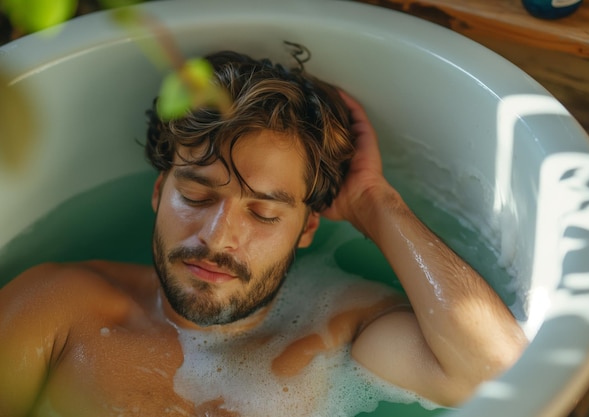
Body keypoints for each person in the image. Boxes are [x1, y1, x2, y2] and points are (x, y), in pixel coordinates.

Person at [0, 49, 527, 417]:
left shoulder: (340, 335)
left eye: (264, 214)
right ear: (160, 192)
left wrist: (375, 204)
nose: (217, 236)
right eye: (198, 196)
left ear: (306, 229)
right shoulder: (59, 307)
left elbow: (505, 377)